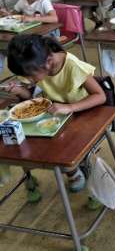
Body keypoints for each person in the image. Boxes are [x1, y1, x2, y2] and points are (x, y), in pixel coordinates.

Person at [6, 35, 106, 192]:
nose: (28, 80)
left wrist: (70, 107)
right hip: (56, 114)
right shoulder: (38, 65)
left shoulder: (71, 66)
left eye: (29, 76)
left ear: (48, 62)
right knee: (39, 144)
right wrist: (19, 91)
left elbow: (100, 96)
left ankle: (82, 172)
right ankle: (72, 172)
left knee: (63, 147)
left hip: (83, 113)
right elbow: (32, 97)